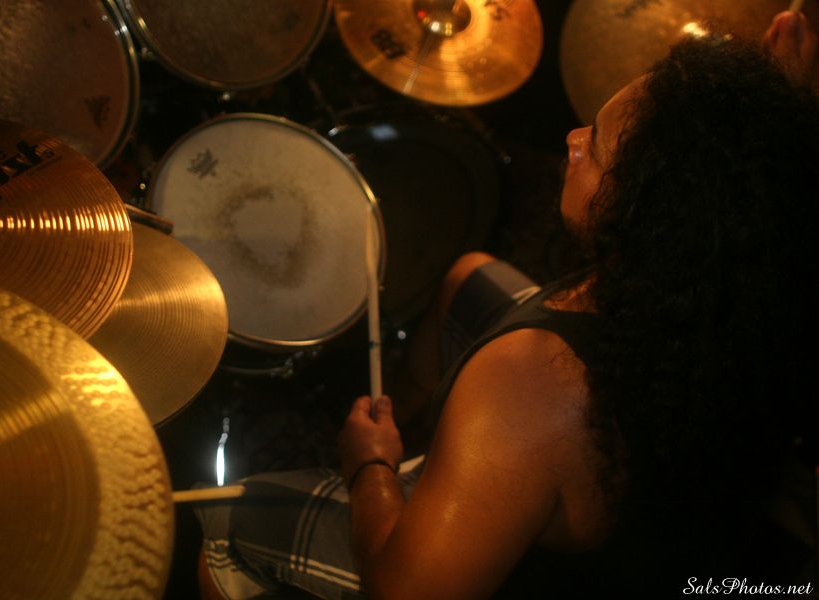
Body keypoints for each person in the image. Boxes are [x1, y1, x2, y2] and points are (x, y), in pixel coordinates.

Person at [195, 11, 819, 599]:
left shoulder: (530, 384)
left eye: (598, 148)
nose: (572, 139)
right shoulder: (736, 286)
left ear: (649, 220)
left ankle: (407, 477)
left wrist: (371, 469)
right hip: (650, 490)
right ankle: (419, 430)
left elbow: (404, 592)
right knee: (468, 276)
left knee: (232, 521)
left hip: (518, 561)